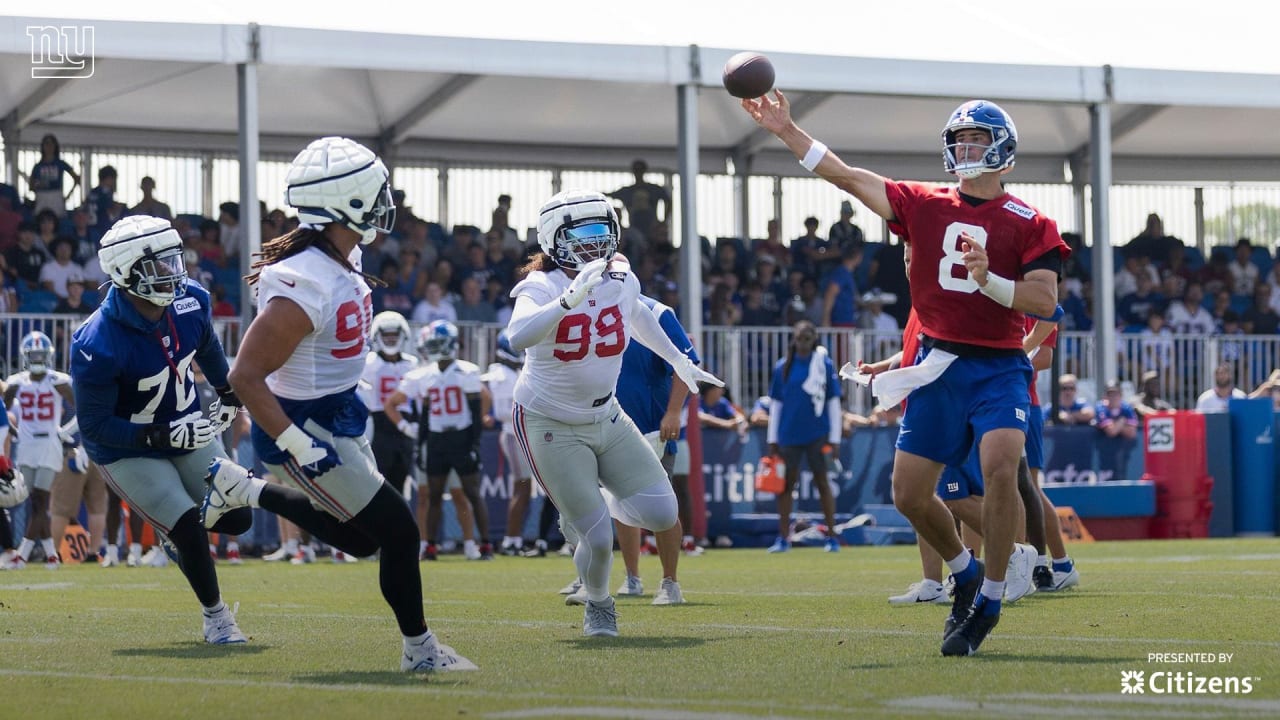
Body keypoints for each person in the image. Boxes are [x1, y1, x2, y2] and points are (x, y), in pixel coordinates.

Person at [745, 93, 1066, 656]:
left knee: (1000, 467)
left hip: (997, 367)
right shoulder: (923, 202)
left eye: (978, 142)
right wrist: (785, 129)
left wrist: (990, 281)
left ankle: (990, 597)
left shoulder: (1030, 221)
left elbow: (1043, 300)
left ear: (1004, 152)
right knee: (909, 494)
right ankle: (964, 573)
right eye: (960, 141)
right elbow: (844, 176)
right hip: (937, 366)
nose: (966, 150)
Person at [200, 137, 475, 671]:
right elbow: (245, 376)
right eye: (372, 192)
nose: (383, 200)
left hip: (338, 411)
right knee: (399, 531)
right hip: (303, 424)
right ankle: (420, 652)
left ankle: (246, 489)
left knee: (362, 539)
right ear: (343, 203)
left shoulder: (341, 253)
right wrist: (297, 444)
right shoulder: (307, 281)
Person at [504, 189, 721, 637]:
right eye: (582, 233)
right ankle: (599, 605)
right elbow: (517, 336)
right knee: (599, 539)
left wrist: (678, 359)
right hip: (549, 420)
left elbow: (638, 315)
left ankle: (583, 510)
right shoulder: (540, 285)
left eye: (602, 231)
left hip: (607, 415)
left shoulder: (620, 276)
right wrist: (566, 300)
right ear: (553, 237)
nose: (594, 243)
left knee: (663, 512)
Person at [69, 215, 251, 641]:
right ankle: (217, 618)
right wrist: (157, 436)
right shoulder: (96, 340)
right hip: (127, 445)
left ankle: (178, 541)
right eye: (158, 265)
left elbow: (205, 344)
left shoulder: (191, 300)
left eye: (173, 260)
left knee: (238, 516)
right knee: (187, 523)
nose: (173, 272)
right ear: (126, 272)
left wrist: (228, 393)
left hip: (183, 426)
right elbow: (94, 426)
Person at [384, 320, 493, 561]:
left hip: (461, 437)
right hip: (435, 440)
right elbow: (405, 408)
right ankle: (430, 546)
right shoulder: (423, 375)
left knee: (470, 492)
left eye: (436, 343)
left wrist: (474, 442)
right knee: (433, 495)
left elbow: (476, 410)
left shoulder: (467, 371)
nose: (432, 347)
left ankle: (484, 544)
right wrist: (412, 432)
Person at [764, 320, 843, 554]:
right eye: (800, 338)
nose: (804, 342)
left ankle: (832, 537)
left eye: (808, 338)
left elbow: (833, 402)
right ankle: (783, 538)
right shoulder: (783, 367)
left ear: (814, 340)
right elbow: (776, 405)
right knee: (785, 486)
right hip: (788, 434)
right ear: (794, 339)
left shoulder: (824, 365)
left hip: (818, 433)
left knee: (822, 483)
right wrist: (772, 438)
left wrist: (835, 438)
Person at [3, 331, 78, 568]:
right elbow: (3, 413)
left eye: (40, 354)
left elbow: (83, 409)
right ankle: (52, 556)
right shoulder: (15, 383)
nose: (36, 358)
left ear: (48, 356)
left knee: (40, 498)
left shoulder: (59, 381)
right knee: (35, 502)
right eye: (33, 354)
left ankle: (21, 556)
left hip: (48, 443)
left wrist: (65, 432)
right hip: (26, 444)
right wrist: (13, 432)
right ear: (25, 356)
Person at [358, 311, 422, 555]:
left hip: (405, 427)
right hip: (378, 425)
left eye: (396, 335)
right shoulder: (369, 362)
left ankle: (395, 538)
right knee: (377, 483)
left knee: (400, 483)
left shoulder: (411, 363)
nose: (392, 339)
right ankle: (373, 538)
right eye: (388, 335)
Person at [484, 331, 534, 557]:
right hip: (513, 434)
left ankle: (514, 538)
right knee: (521, 489)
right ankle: (511, 540)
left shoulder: (510, 371)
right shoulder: (501, 374)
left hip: (520, 434)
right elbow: (504, 412)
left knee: (523, 490)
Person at [607, 160, 669, 242]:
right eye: (636, 170)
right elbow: (609, 195)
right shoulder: (627, 191)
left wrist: (664, 221)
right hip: (634, 227)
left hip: (652, 228)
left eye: (640, 170)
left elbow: (668, 201)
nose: (638, 173)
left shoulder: (654, 189)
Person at [25, 134, 80, 218]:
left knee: (57, 219)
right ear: (42, 147)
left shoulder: (60, 163)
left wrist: (67, 196)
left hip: (56, 195)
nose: (49, 147)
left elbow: (77, 178)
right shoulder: (38, 166)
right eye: (46, 144)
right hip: (41, 195)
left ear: (55, 146)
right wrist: (38, 187)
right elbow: (31, 186)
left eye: (51, 144)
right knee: (41, 219)